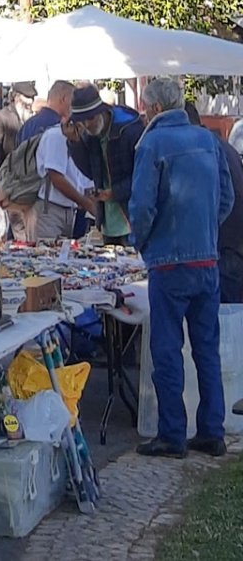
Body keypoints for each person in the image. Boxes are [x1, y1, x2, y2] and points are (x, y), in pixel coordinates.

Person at [131, 77, 234, 459]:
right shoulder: (208, 140)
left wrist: (141, 242)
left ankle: (172, 434)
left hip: (169, 262)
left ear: (154, 109)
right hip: (206, 259)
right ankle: (212, 430)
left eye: (145, 109)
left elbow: (142, 207)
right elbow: (226, 198)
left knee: (167, 349)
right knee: (207, 349)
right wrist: (205, 230)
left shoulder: (152, 143)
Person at [68, 86, 145, 246]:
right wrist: (74, 143)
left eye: (90, 118)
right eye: (82, 120)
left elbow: (143, 176)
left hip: (132, 218)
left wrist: (114, 192)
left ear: (101, 111)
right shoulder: (92, 135)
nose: (87, 124)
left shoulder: (129, 130)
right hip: (108, 221)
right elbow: (90, 171)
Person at [184, 104, 243, 304]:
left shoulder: (202, 150)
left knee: (223, 318)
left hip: (222, 247)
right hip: (230, 244)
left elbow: (225, 200)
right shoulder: (219, 145)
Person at [32, 120, 96, 240]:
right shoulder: (56, 136)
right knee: (47, 253)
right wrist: (86, 203)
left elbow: (81, 178)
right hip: (51, 210)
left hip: (72, 211)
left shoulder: (83, 139)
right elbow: (56, 178)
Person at [0, 82, 33, 179]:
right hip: (7, 173)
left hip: (25, 174)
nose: (31, 101)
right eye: (26, 104)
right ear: (17, 98)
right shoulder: (1, 116)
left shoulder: (30, 119)